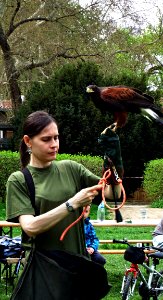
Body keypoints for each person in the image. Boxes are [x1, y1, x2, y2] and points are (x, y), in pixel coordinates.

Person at [6, 110, 122, 299]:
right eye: (46, 139)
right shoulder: (19, 180)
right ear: (28, 141)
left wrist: (114, 162)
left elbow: (113, 194)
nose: (54, 145)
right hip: (44, 271)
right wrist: (73, 202)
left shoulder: (71, 168)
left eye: (56, 138)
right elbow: (30, 227)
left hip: (77, 268)